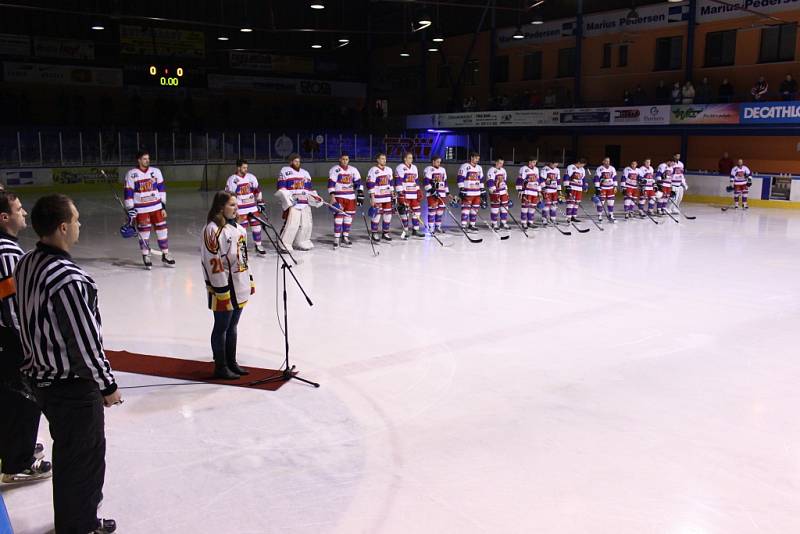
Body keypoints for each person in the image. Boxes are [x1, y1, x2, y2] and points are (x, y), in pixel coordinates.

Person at [15, 194, 119, 534]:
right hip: (70, 387)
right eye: (75, 220)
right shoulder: (69, 279)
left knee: (70, 455)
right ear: (62, 227)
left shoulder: (27, 262)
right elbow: (84, 343)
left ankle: (75, 521)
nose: (79, 225)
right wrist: (107, 385)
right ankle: (80, 526)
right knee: (83, 459)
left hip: (40, 379)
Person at [0, 192, 52, 485]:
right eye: (19, 209)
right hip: (13, 339)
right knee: (24, 399)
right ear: (4, 217)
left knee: (11, 399)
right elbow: (12, 305)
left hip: (7, 338)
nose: (24, 213)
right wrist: (28, 341)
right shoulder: (8, 253)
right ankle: (16, 463)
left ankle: (12, 447)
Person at [202, 191, 255, 379]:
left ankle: (232, 361)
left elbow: (243, 257)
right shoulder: (212, 230)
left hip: (238, 284)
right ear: (220, 207)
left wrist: (249, 279)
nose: (236, 208)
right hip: (222, 287)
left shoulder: (239, 229)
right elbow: (212, 261)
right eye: (232, 205)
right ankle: (221, 365)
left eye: (236, 205)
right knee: (222, 326)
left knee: (233, 325)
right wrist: (221, 289)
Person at [123, 150, 175, 269]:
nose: (148, 160)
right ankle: (146, 255)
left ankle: (165, 254)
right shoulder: (131, 174)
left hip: (156, 207)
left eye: (148, 158)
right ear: (139, 160)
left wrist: (163, 206)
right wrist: (130, 209)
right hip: (141, 210)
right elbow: (128, 192)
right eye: (145, 159)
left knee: (162, 230)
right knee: (144, 232)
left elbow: (161, 189)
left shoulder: (156, 172)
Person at [276, 153, 319, 252]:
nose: (297, 163)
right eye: (295, 161)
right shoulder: (285, 171)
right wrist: (289, 199)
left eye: (299, 161)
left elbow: (309, 190)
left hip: (304, 203)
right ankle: (284, 243)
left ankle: (302, 241)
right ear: (290, 162)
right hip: (293, 203)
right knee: (292, 224)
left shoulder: (305, 173)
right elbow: (281, 187)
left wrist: (315, 197)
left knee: (307, 224)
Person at [225, 159, 266, 256]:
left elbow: (257, 191)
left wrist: (260, 202)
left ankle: (258, 245)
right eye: (244, 167)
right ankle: (242, 248)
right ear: (238, 167)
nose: (246, 169)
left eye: (246, 167)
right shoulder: (232, 179)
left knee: (256, 226)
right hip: (241, 209)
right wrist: (233, 209)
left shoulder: (251, 177)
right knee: (241, 229)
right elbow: (229, 195)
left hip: (252, 207)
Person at [327, 152, 363, 249]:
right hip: (339, 197)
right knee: (338, 218)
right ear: (340, 159)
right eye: (343, 159)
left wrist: (360, 193)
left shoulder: (353, 170)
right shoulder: (335, 170)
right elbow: (331, 184)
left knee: (348, 217)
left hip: (351, 197)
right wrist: (332, 196)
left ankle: (345, 236)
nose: (345, 161)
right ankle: (336, 238)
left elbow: (359, 182)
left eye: (347, 159)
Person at [366, 153, 395, 242]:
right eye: (382, 159)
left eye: (385, 159)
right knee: (377, 215)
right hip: (378, 197)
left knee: (388, 215)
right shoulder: (373, 170)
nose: (384, 160)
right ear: (378, 160)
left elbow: (391, 183)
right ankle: (374, 233)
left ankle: (385, 233)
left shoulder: (389, 170)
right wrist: (372, 197)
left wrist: (392, 193)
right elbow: (370, 184)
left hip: (387, 197)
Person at [394, 152, 423, 239]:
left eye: (412, 158)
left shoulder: (414, 167)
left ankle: (415, 229)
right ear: (405, 159)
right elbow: (398, 181)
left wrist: (418, 190)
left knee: (417, 211)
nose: (411, 159)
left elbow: (416, 180)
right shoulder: (400, 168)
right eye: (409, 157)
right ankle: (405, 230)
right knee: (404, 213)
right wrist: (400, 194)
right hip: (405, 194)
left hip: (414, 194)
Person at [456, 152, 484, 232]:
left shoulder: (479, 168)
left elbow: (481, 179)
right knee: (466, 209)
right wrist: (461, 188)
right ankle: (464, 225)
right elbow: (460, 178)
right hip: (468, 192)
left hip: (477, 193)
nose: (477, 160)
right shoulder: (465, 166)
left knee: (475, 209)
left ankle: (472, 225)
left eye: (478, 158)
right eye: (476, 158)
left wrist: (482, 189)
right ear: (471, 157)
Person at [423, 156, 449, 234]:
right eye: (437, 161)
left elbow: (445, 182)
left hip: (442, 194)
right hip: (432, 195)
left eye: (440, 162)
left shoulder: (443, 170)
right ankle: (431, 228)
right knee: (432, 211)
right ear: (433, 161)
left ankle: (438, 227)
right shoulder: (428, 169)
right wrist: (432, 191)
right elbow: (426, 182)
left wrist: (447, 192)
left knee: (440, 211)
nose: (439, 163)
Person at [485, 156, 510, 230]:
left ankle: (503, 223)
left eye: (502, 163)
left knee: (505, 208)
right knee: (495, 208)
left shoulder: (503, 170)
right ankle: (494, 224)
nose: (501, 165)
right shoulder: (491, 170)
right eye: (499, 163)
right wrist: (493, 191)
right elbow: (490, 181)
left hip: (503, 192)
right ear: (496, 162)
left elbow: (504, 182)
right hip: (495, 192)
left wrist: (507, 191)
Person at [516, 157, 541, 229]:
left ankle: (530, 222)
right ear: (529, 162)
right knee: (525, 207)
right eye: (533, 162)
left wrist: (539, 191)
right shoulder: (523, 168)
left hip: (534, 191)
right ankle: (524, 223)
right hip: (526, 191)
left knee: (532, 207)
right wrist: (520, 190)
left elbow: (538, 180)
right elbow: (519, 179)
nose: (534, 164)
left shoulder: (536, 169)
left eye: (535, 162)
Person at [563, 159, 588, 223]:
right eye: (582, 164)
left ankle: (573, 217)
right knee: (571, 203)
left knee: (577, 203)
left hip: (579, 188)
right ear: (578, 162)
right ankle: (568, 217)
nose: (582, 166)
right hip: (572, 187)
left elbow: (583, 178)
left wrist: (584, 186)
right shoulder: (571, 167)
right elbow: (566, 176)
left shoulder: (582, 169)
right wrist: (567, 186)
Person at [593, 157, 618, 222]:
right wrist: (597, 187)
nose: (607, 162)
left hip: (610, 188)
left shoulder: (612, 168)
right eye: (606, 161)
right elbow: (596, 178)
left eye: (608, 161)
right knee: (601, 203)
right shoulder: (600, 168)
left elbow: (614, 177)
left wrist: (615, 186)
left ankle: (611, 215)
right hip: (602, 188)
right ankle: (600, 215)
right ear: (603, 161)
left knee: (611, 202)